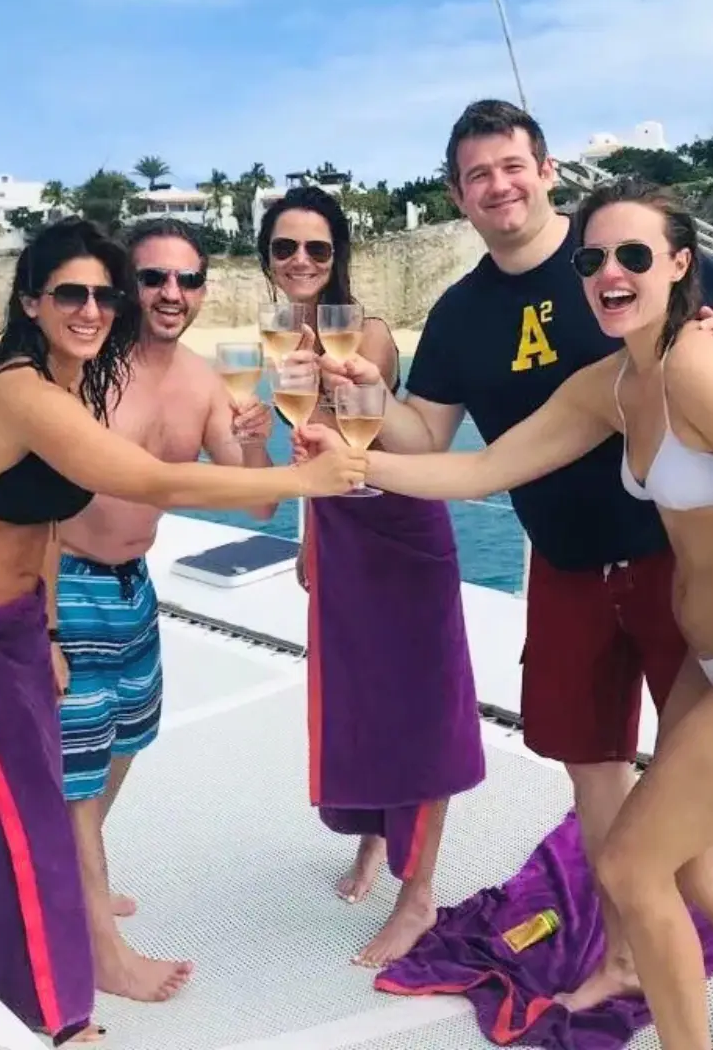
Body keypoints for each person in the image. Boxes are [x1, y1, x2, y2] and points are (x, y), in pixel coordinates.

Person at [306, 177, 713, 1050]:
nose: (612, 271)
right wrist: (351, 464)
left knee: (632, 863)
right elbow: (478, 471)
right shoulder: (614, 385)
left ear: (682, 266)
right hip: (708, 662)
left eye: (635, 256)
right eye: (594, 258)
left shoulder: (703, 365)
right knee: (686, 867)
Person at [0, 218, 366, 1046]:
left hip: (12, 623)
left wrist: (46, 628)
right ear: (31, 301)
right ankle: (60, 1020)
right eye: (74, 292)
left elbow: (41, 526)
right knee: (34, 823)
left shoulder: (70, 383)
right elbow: (139, 476)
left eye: (102, 294)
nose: (95, 308)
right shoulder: (20, 390)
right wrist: (309, 475)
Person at [46, 217, 276, 1002]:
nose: (172, 294)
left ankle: (70, 877)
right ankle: (100, 945)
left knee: (123, 742)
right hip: (65, 576)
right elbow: (35, 500)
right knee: (76, 765)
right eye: (153, 279)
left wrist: (255, 439)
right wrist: (39, 620)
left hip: (132, 587)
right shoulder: (83, 369)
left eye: (189, 279)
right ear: (124, 286)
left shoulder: (208, 381)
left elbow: (260, 508)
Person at [267, 185, 486, 968]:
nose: (300, 261)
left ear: (338, 257)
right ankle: (371, 842)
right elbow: (311, 448)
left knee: (418, 711)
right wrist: (307, 535)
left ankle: (417, 894)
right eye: (286, 247)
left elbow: (369, 431)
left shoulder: (367, 334)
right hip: (339, 527)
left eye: (317, 248)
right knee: (356, 701)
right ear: (268, 257)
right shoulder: (277, 337)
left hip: (399, 529)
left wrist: (341, 375)